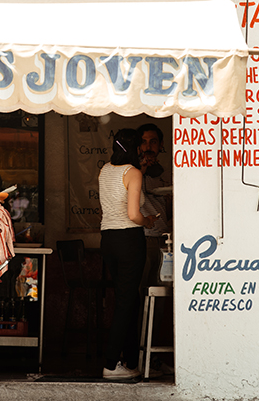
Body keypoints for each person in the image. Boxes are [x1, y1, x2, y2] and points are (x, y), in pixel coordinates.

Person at [99, 128, 157, 380]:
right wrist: (148, 221)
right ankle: (111, 365)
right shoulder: (133, 173)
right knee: (126, 302)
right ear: (135, 149)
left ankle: (132, 362)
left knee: (129, 299)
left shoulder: (105, 170)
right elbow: (134, 214)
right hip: (129, 240)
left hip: (108, 239)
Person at [136, 122, 172, 287]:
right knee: (141, 287)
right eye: (143, 142)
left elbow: (167, 211)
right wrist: (141, 169)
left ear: (161, 145)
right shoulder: (132, 172)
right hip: (143, 238)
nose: (148, 147)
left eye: (153, 142)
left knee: (161, 287)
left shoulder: (166, 173)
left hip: (164, 239)